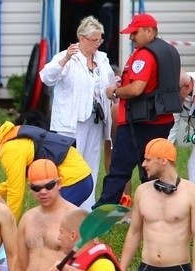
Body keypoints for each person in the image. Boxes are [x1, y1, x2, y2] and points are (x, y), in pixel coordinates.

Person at [94, 13, 182, 207]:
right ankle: (157, 210)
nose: (131, 37)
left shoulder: (144, 54)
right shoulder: (170, 51)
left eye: (135, 32)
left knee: (119, 171)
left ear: (149, 31)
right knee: (153, 170)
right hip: (163, 120)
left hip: (139, 123)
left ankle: (101, 215)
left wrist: (115, 91)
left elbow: (136, 89)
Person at [40, 16, 115, 210]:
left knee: (91, 163)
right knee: (71, 164)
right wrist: (64, 59)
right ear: (82, 38)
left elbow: (106, 85)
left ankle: (87, 209)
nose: (98, 44)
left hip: (95, 120)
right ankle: (64, 206)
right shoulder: (67, 57)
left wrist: (115, 86)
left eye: (100, 39)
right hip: (71, 122)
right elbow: (46, 77)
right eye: (94, 40)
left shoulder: (102, 59)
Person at [120, 138, 195, 271]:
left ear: (163, 161)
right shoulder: (142, 191)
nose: (143, 164)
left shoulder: (190, 192)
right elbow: (134, 232)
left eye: (148, 159)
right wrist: (122, 269)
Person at [0, 120, 94, 221]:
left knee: (50, 224)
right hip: (82, 178)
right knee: (54, 222)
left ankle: (85, 243)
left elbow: (16, 192)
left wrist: (9, 225)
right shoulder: (12, 136)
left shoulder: (9, 150)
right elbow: (13, 182)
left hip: (74, 182)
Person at [10, 160, 78, 271]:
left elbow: (88, 264)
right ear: (30, 189)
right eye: (37, 188)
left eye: (49, 186)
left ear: (59, 183)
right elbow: (20, 266)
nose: (43, 191)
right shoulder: (27, 218)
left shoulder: (75, 217)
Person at [169, 69, 195, 182]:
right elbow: (172, 129)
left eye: (176, 92)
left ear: (187, 86)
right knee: (192, 166)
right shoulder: (177, 95)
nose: (174, 96)